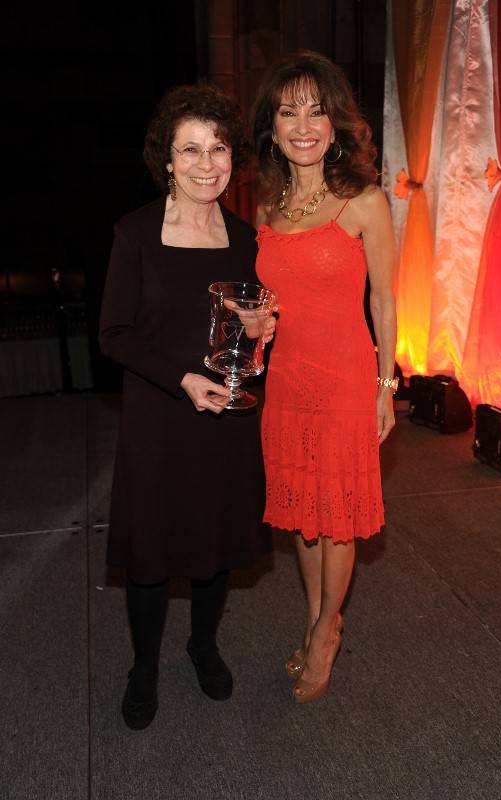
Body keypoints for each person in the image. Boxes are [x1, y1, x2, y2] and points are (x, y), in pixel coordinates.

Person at [99, 84, 275, 729]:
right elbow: (114, 334)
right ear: (168, 160)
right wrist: (181, 380)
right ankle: (144, 667)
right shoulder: (137, 233)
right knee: (151, 554)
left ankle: (204, 646)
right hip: (159, 418)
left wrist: (261, 331)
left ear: (233, 158)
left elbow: (248, 332)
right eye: (191, 150)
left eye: (218, 148)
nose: (207, 163)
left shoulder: (246, 239)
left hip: (224, 416)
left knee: (214, 541)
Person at [252, 52, 397, 703]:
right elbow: (274, 298)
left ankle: (326, 632)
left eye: (316, 111)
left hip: (344, 382)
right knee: (301, 517)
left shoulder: (363, 202)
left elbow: (384, 302)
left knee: (335, 519)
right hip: (286, 381)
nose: (303, 125)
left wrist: (385, 387)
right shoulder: (267, 206)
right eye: (289, 112)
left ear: (335, 122)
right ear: (274, 127)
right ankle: (315, 618)